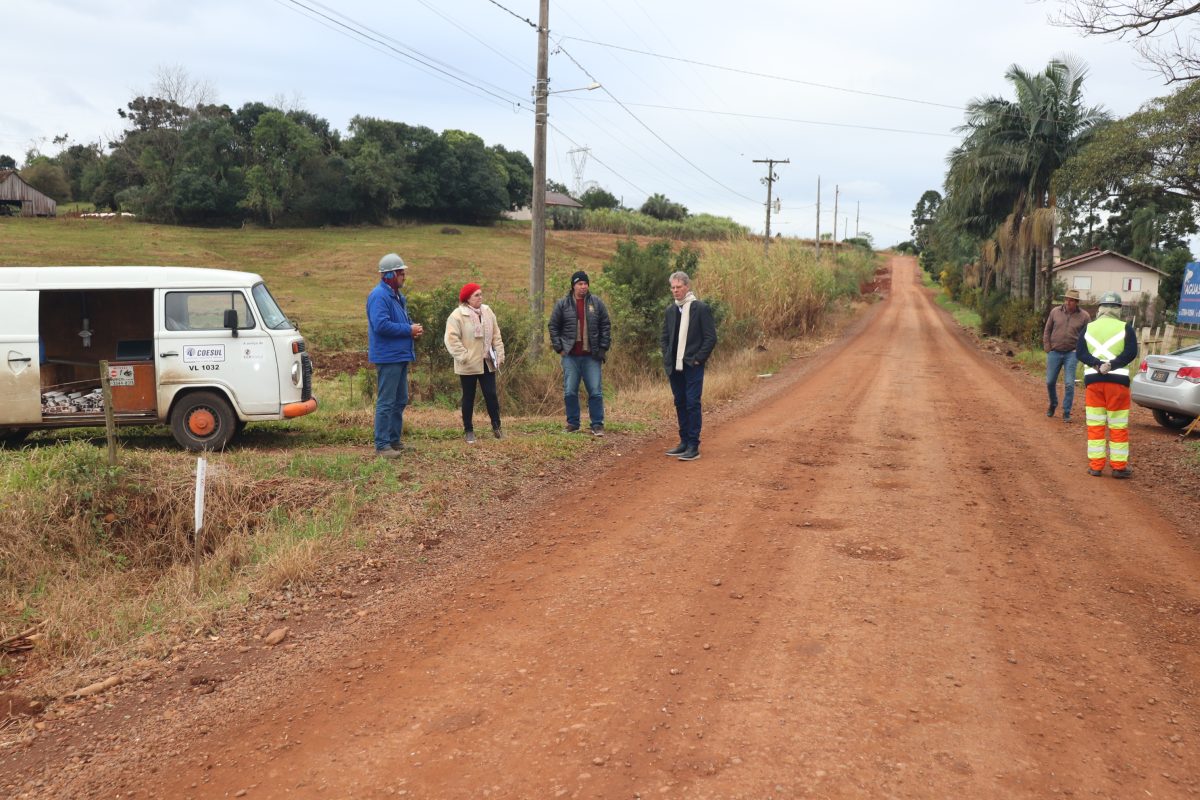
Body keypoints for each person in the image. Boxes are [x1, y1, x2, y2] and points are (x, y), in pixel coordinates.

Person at [366, 253, 424, 458]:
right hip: (388, 357)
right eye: (400, 272)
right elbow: (381, 325)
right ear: (389, 274)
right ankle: (382, 446)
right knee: (386, 401)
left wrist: (412, 332)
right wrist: (408, 330)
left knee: (399, 400)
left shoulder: (398, 297)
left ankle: (394, 441)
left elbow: (397, 324)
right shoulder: (379, 296)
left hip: (399, 355)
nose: (404, 276)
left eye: (403, 272)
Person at [1076, 291, 1138, 478]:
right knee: (1117, 425)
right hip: (1118, 384)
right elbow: (1131, 352)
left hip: (1094, 383)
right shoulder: (1126, 328)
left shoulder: (1089, 328)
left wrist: (1097, 364)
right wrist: (1112, 365)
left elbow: (1080, 353)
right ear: (1118, 309)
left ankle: (1096, 466)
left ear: (1100, 308)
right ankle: (1119, 468)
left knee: (1096, 424)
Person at [660, 271, 717, 462]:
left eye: (678, 287)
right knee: (680, 402)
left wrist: (698, 359)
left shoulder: (700, 308)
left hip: (692, 365)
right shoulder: (670, 310)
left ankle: (693, 445)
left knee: (693, 403)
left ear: (687, 287)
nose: (675, 291)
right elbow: (665, 337)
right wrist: (667, 356)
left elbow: (710, 337)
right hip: (674, 366)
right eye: (673, 287)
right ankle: (684, 442)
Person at [548, 270, 611, 435]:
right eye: (579, 284)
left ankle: (597, 424)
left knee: (595, 390)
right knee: (570, 390)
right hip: (570, 355)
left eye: (585, 283)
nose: (583, 287)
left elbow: (606, 325)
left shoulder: (596, 303)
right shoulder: (563, 304)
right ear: (573, 286)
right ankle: (573, 423)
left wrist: (603, 348)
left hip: (592, 356)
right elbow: (553, 326)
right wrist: (559, 348)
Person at [444, 282, 505, 444]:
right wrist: (464, 356)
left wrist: (499, 353)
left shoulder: (487, 311)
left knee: (491, 395)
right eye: (476, 295)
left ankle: (497, 427)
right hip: (468, 364)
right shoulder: (457, 315)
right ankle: (469, 430)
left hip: (487, 361)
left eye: (480, 294)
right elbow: (451, 339)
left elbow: (496, 334)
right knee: (468, 397)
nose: (480, 297)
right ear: (467, 298)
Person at [1043, 288, 1091, 422]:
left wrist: (1080, 351)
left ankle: (1066, 412)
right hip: (1054, 351)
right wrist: (1048, 347)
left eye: (1071, 300)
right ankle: (1053, 404)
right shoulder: (1055, 312)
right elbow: (1047, 330)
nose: (1068, 302)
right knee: (1050, 381)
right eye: (1066, 299)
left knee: (1069, 384)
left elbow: (1088, 336)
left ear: (1076, 302)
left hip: (1072, 353)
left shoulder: (1084, 316)